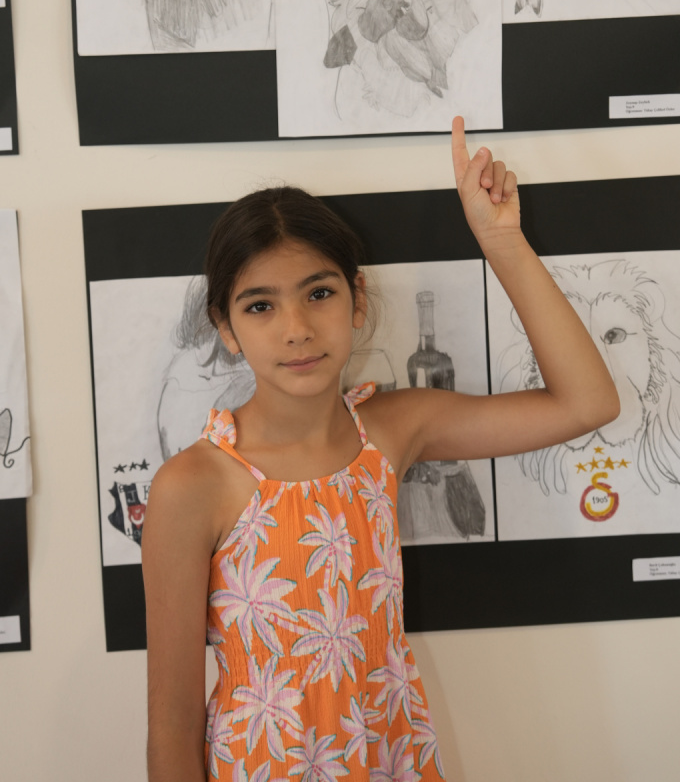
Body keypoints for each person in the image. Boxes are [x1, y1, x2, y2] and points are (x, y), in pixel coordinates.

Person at [142, 117, 619, 781]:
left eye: (319, 293)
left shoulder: (391, 431)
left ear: (356, 300)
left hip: (388, 759)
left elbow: (587, 402)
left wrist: (501, 240)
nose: (297, 328)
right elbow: (171, 723)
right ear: (225, 326)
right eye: (259, 306)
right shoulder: (193, 485)